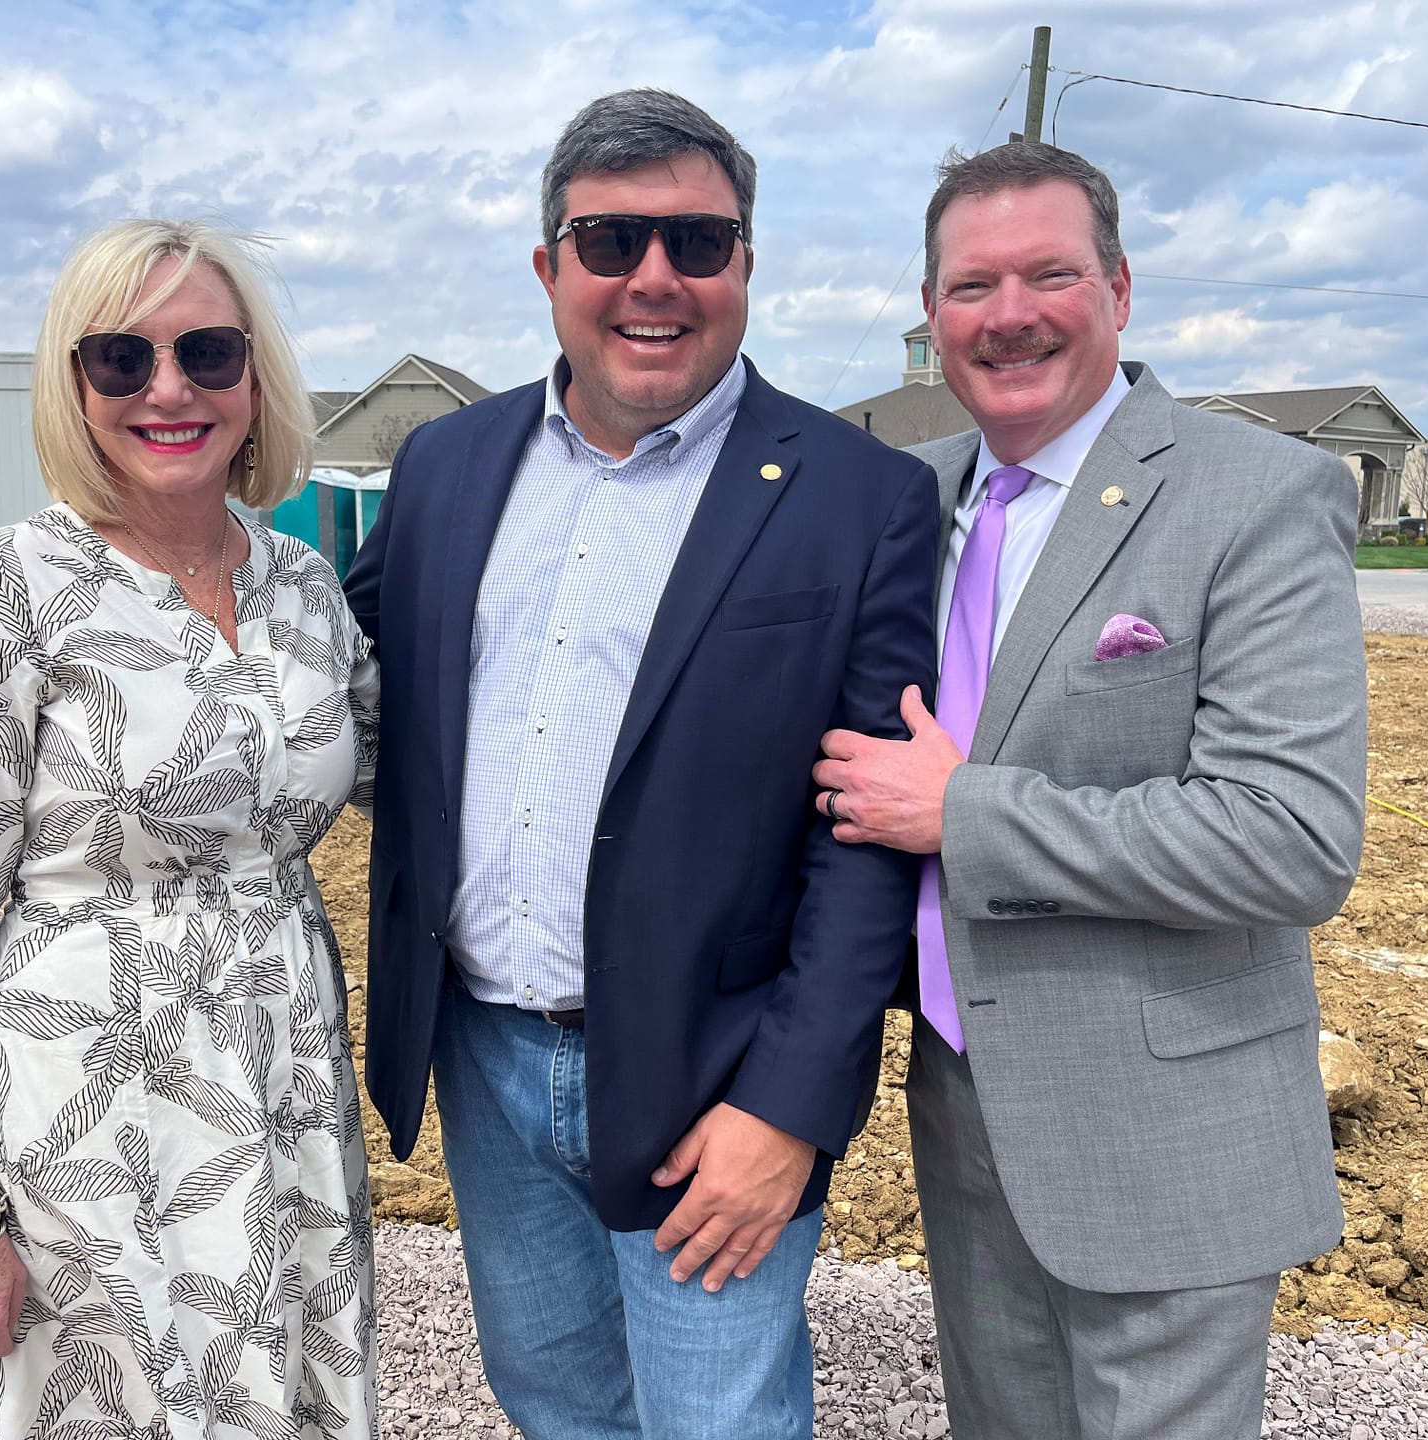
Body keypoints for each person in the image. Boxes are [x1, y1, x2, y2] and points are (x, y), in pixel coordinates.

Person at [343, 89, 938, 1439]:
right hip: (485, 1058)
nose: (654, 279)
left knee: (718, 1422)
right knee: (555, 1403)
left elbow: (864, 836)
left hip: (709, 1080)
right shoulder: (444, 464)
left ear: (746, 263)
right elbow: (334, 676)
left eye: (697, 241)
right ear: (550, 267)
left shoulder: (861, 498)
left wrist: (789, 1107)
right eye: (610, 242)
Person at [812, 140, 1369, 1439]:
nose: (1008, 314)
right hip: (964, 1111)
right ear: (935, 317)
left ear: (1118, 287)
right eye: (970, 285)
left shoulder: (1254, 493)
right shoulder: (919, 499)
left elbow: (1291, 837)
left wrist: (963, 813)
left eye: (1048, 273)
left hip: (1164, 1128)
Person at [0, 218, 379, 1440]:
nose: (170, 390)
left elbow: (406, 769)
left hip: (288, 1084)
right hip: (95, 1108)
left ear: (256, 382)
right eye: (122, 360)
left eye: (209, 353)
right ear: (72, 382)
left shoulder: (303, 584)